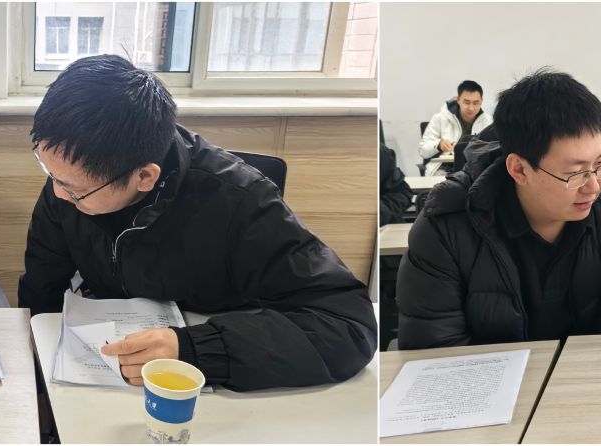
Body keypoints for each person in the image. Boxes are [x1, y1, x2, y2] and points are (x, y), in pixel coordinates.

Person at [20, 55, 375, 391]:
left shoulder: (241, 201)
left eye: (75, 190)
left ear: (144, 177)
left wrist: (195, 349)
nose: (57, 193)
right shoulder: (68, 183)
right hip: (106, 365)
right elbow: (42, 285)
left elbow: (348, 325)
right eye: (50, 173)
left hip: (210, 381)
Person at [397, 69, 601, 349]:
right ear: (519, 169)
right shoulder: (445, 229)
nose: (594, 186)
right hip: (487, 375)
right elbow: (435, 353)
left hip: (586, 373)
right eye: (575, 173)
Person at [417, 80, 492, 167]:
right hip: (445, 168)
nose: (471, 108)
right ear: (458, 100)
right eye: (467, 103)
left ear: (481, 101)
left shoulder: (488, 121)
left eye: (476, 103)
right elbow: (423, 151)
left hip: (475, 167)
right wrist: (438, 145)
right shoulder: (440, 118)